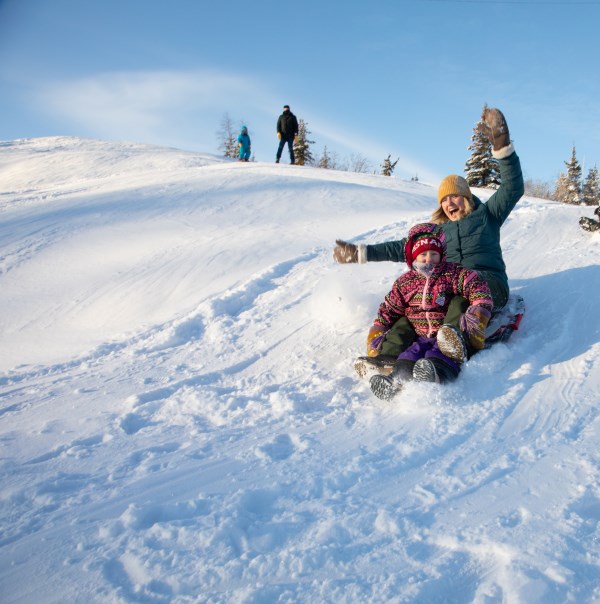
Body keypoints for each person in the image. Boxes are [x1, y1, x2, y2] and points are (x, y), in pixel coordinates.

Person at [334, 107, 524, 373]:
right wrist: (360, 253)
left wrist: (502, 146)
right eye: (444, 199)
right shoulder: (437, 231)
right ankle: (390, 355)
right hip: (449, 283)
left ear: (466, 197)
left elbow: (512, 188)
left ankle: (456, 342)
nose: (449, 203)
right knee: (416, 303)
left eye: (455, 196)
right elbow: (402, 248)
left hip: (488, 283)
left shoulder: (487, 215)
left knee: (459, 297)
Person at [366, 222, 493, 400]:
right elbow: (390, 306)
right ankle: (394, 380)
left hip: (446, 334)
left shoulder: (452, 273)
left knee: (439, 353)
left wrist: (479, 309)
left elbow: (476, 285)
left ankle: (437, 374)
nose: (429, 259)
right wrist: (380, 326)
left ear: (441, 255)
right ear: (413, 257)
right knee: (408, 356)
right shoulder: (405, 282)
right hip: (419, 334)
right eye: (423, 254)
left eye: (434, 254)